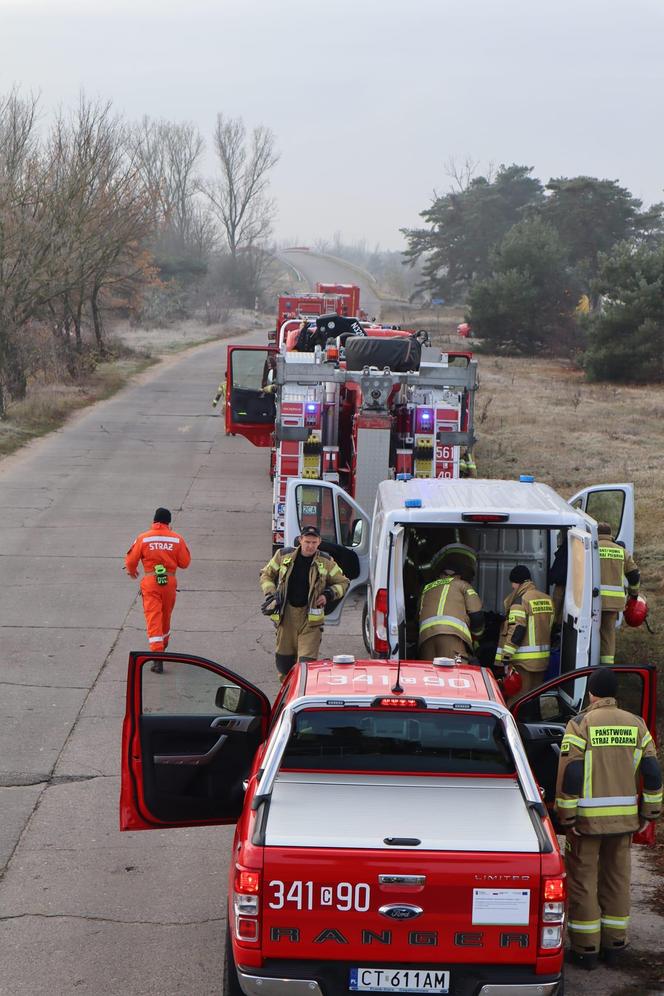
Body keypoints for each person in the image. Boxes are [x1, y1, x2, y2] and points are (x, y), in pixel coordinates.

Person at [555, 667, 662, 970]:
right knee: (617, 879)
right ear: (615, 694)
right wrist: (650, 813)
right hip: (624, 822)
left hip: (587, 823)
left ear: (591, 693)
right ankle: (615, 944)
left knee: (583, 881)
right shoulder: (637, 725)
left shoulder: (580, 724)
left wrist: (567, 814)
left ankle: (585, 949)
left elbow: (572, 773)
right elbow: (653, 772)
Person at [259, 526, 350, 680]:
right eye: (307, 541)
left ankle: (302, 697)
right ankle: (287, 698)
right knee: (284, 664)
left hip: (310, 622)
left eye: (314, 542)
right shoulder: (283, 556)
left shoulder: (326, 562)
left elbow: (343, 583)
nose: (310, 546)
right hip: (286, 617)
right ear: (300, 540)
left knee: (306, 667)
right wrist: (271, 594)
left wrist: (328, 594)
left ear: (319, 542)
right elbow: (266, 575)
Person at [125, 508, 192, 673]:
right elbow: (184, 563)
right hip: (169, 582)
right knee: (165, 616)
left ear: (154, 521)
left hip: (151, 581)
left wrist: (133, 572)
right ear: (168, 522)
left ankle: (157, 657)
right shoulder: (177, 539)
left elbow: (131, 560)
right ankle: (163, 646)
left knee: (153, 616)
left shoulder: (144, 537)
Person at [496, 566, 554, 702]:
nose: (512, 587)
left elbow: (517, 630)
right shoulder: (547, 599)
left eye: (512, 584)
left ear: (517, 582)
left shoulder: (520, 601)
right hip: (542, 660)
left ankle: (514, 724)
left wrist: (505, 657)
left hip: (523, 662)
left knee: (518, 701)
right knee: (534, 699)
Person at [417, 545, 484, 662]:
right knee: (456, 674)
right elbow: (476, 615)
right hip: (452, 637)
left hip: (425, 640)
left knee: (429, 676)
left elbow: (418, 615)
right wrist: (477, 636)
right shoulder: (463, 585)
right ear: (458, 575)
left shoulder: (427, 588)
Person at [598, 522, 640, 664]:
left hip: (592, 601)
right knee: (608, 634)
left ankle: (586, 666)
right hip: (613, 603)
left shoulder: (591, 548)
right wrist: (633, 594)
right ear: (610, 535)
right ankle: (607, 666)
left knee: (588, 633)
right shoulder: (621, 551)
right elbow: (634, 575)